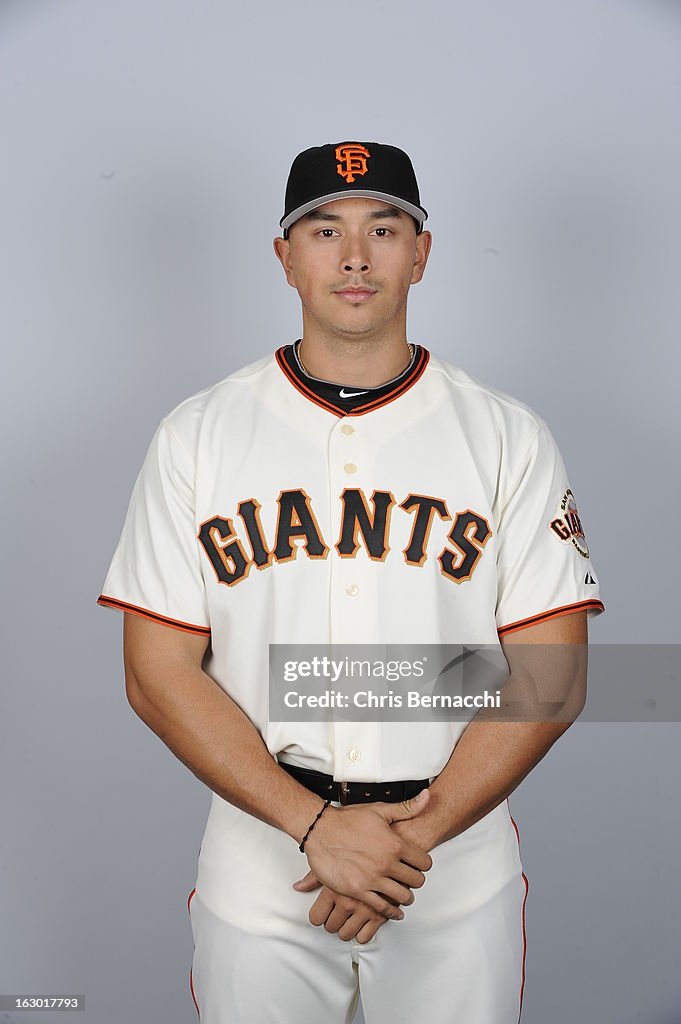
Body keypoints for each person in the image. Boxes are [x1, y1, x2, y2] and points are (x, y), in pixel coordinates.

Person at [98, 140, 605, 1023]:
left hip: (452, 852)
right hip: (265, 843)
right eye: (324, 229)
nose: (356, 255)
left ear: (422, 251)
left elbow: (551, 672)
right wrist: (314, 828)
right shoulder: (198, 435)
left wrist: (403, 842)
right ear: (285, 258)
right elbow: (157, 671)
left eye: (384, 227)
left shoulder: (505, 436)